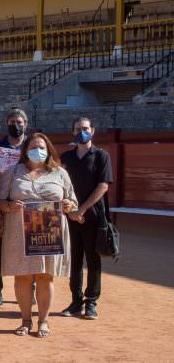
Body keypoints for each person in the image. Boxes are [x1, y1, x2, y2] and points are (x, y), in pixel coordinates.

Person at [0, 133, 78, 338]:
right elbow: (0, 201)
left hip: (50, 232)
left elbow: (72, 201)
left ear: (48, 149)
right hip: (19, 232)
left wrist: (69, 205)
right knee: (22, 277)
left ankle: (43, 320)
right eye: (33, 146)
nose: (37, 150)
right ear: (25, 150)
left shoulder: (60, 173)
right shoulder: (13, 172)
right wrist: (9, 206)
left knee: (45, 276)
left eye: (41, 146)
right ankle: (25, 320)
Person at [59, 117, 113, 320]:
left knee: (93, 259)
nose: (82, 131)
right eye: (78, 129)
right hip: (69, 216)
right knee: (74, 259)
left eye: (85, 128)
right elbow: (60, 186)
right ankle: (76, 301)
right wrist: (72, 211)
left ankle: (91, 302)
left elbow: (103, 186)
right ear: (73, 132)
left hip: (93, 216)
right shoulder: (66, 158)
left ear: (93, 130)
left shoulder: (101, 156)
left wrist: (80, 210)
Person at [0, 108, 29, 305]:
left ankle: (31, 287)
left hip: (25, 203)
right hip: (1, 203)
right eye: (13, 122)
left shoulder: (32, 146)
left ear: (26, 124)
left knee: (28, 245)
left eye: (20, 122)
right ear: (7, 124)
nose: (16, 125)